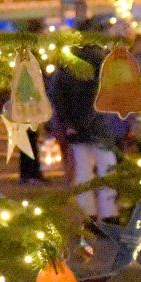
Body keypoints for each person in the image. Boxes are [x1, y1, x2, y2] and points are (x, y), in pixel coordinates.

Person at [47, 21, 120, 220]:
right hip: (100, 124)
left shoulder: (67, 63)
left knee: (83, 171)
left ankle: (87, 212)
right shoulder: (103, 61)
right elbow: (105, 92)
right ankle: (109, 213)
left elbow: (55, 93)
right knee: (107, 168)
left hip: (75, 126)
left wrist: (68, 121)